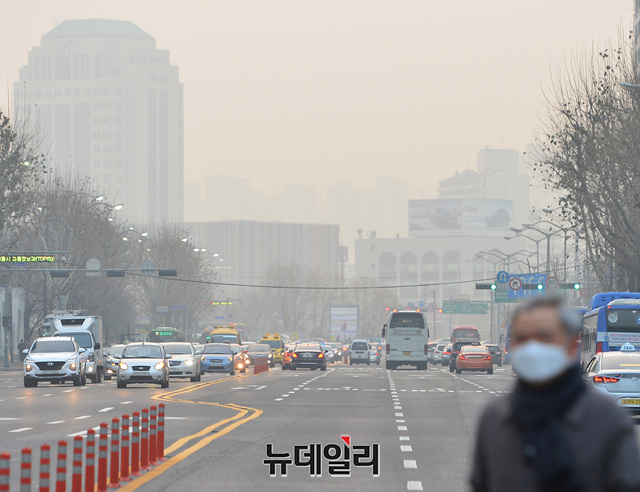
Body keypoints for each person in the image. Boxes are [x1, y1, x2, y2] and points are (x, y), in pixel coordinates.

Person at [470, 297, 640, 492]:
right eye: (523, 338)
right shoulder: (495, 418)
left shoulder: (608, 419)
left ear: (571, 346)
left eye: (544, 337)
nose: (533, 349)